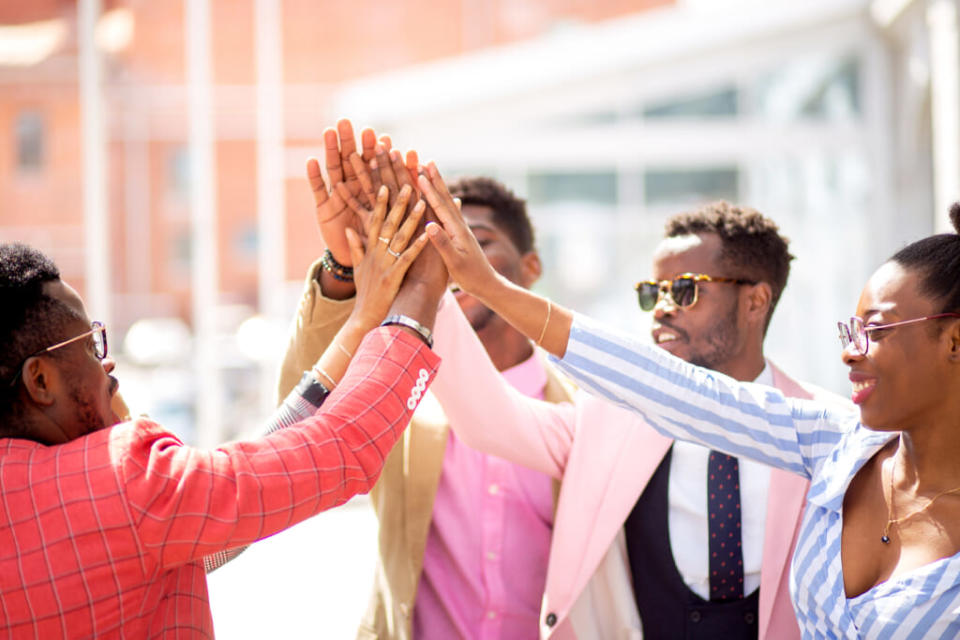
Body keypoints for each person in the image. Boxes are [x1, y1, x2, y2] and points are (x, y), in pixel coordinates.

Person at [422, 162, 960, 637]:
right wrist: (449, 291)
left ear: (755, 302)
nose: (661, 309)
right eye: (651, 294)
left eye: (686, 290)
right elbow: (658, 388)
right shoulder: (828, 442)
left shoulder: (832, 424)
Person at [0, 182, 447, 639]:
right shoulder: (122, 480)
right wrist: (423, 287)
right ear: (39, 380)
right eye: (91, 346)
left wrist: (360, 319)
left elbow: (227, 511)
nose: (107, 363)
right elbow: (341, 449)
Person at [275, 120, 573, 639]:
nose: (451, 258)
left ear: (530, 267)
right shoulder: (401, 391)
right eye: (431, 241)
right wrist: (346, 267)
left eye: (474, 242)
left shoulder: (581, 413)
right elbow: (299, 422)